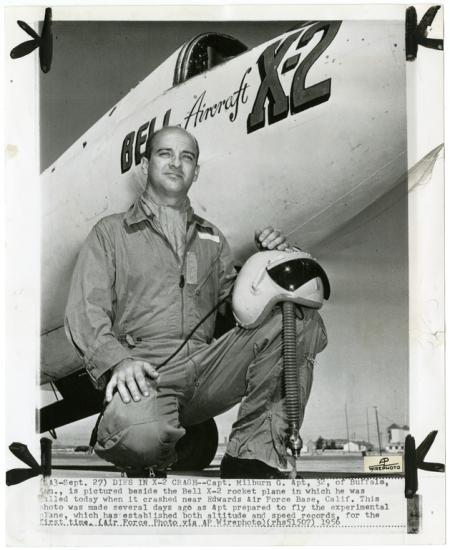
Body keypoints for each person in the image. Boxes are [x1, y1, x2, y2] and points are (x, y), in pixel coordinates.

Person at [65, 126, 327, 478]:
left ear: (196, 171)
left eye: (187, 157)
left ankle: (252, 454)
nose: (176, 163)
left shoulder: (213, 238)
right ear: (145, 166)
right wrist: (118, 362)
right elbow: (85, 310)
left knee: (295, 314)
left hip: (207, 371)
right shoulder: (110, 233)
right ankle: (131, 426)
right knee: (140, 438)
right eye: (165, 154)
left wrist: (274, 261)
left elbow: (242, 310)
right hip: (146, 373)